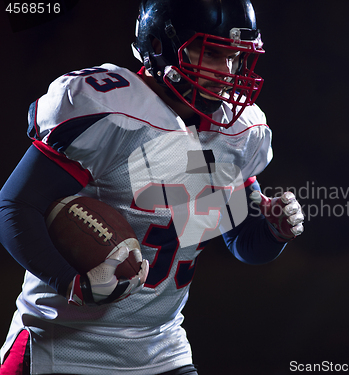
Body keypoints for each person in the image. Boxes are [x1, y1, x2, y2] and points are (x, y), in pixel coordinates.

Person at [0, 0, 304, 374]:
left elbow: (242, 243)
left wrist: (272, 230)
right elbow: (14, 206)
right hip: (61, 347)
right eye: (212, 53)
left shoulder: (233, 133)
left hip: (162, 351)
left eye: (235, 57)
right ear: (159, 45)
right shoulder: (113, 111)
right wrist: (69, 283)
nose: (227, 71)